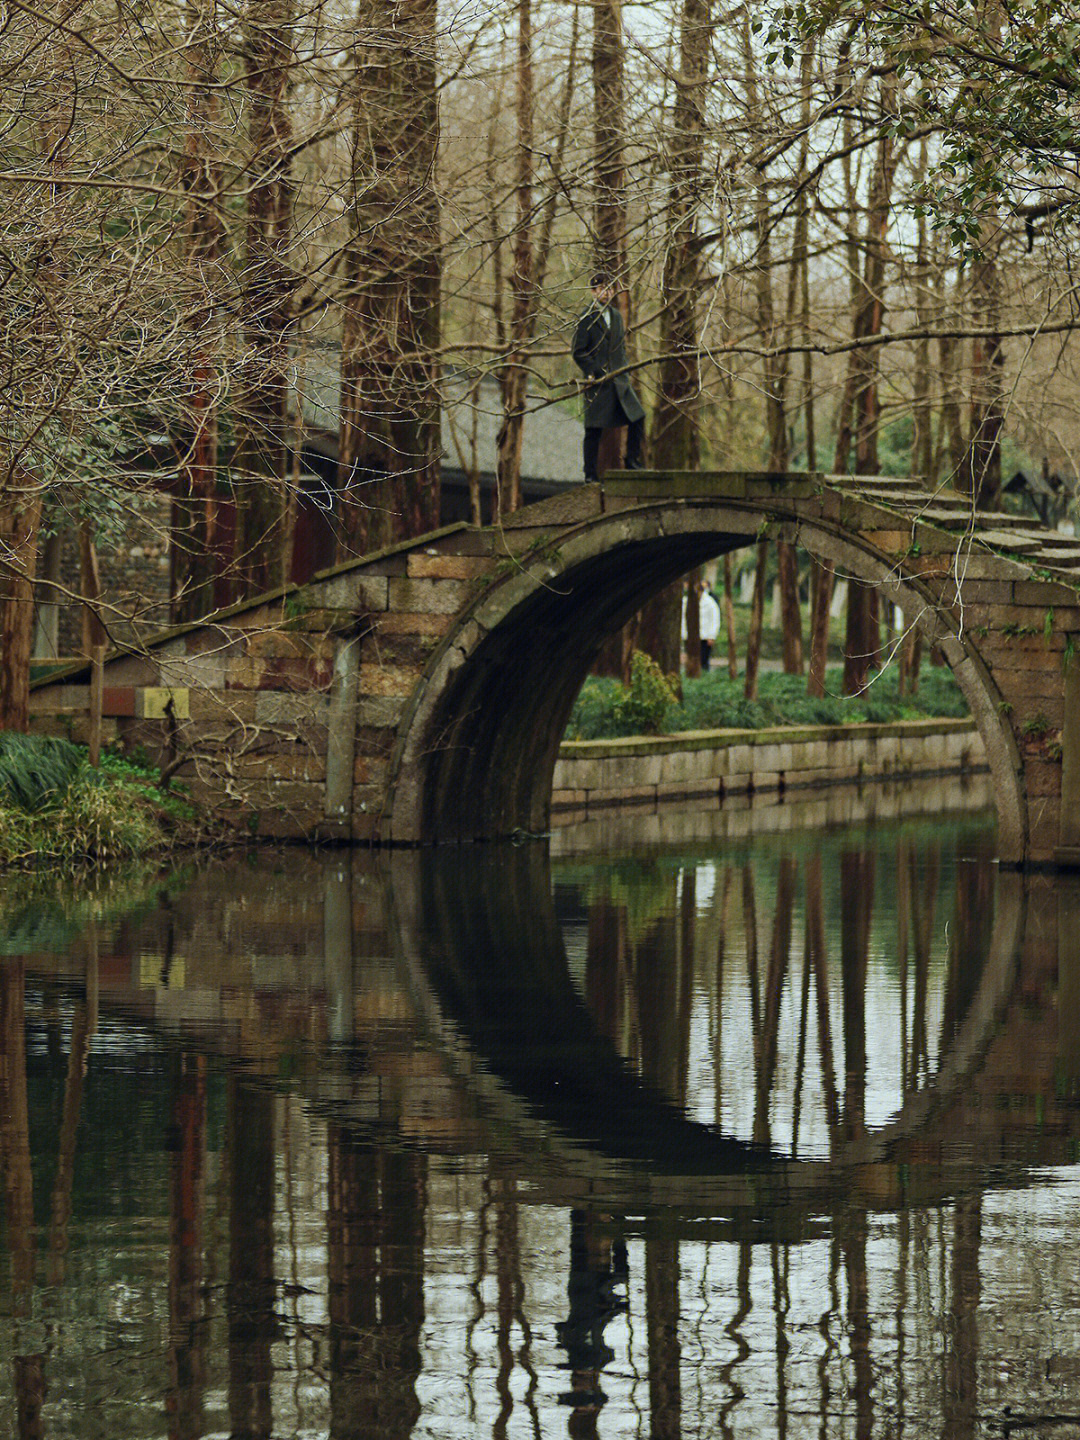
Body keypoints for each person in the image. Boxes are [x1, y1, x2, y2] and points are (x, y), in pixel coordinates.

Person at [572, 271, 647, 482]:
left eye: (610, 288)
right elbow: (578, 352)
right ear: (593, 292)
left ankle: (632, 461)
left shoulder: (615, 315)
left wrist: (624, 371)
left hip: (620, 379)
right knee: (594, 429)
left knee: (638, 416)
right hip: (598, 382)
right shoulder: (586, 317)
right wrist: (595, 371)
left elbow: (620, 347)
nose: (607, 292)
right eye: (602, 289)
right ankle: (590, 475)